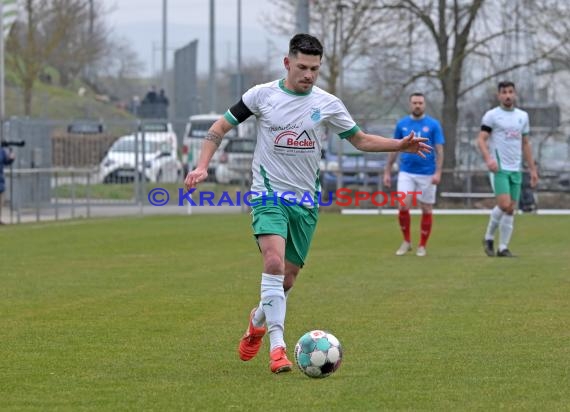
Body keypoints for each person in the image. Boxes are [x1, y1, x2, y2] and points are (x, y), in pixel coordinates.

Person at [184, 33, 431, 374]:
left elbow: (359, 139)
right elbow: (220, 126)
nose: (309, 75)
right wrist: (202, 164)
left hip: (306, 202)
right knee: (272, 262)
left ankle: (256, 321)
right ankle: (277, 348)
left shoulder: (328, 103)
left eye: (314, 69)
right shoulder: (261, 95)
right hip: (268, 195)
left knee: (286, 280)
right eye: (302, 67)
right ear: (287, 63)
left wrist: (398, 145)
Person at [478, 81, 538, 257]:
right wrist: (489, 159)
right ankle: (488, 237)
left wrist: (532, 169)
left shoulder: (522, 116)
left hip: (516, 168)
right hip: (500, 168)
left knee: (511, 208)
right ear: (499, 95)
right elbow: (481, 139)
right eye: (504, 92)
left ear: (515, 94)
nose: (508, 95)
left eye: (511, 92)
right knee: (504, 204)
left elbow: (525, 143)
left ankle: (503, 247)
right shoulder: (492, 116)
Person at [383, 93, 445, 257]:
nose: (417, 105)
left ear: (424, 104)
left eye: (420, 103)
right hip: (406, 171)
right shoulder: (402, 124)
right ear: (410, 104)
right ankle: (406, 241)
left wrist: (438, 172)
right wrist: (388, 171)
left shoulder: (433, 125)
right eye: (415, 102)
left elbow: (439, 150)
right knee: (403, 205)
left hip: (427, 173)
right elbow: (394, 147)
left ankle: (422, 245)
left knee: (426, 208)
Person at [0, 146, 15, 225]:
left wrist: (11, 158)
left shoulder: (1, 151)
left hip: (0, 182)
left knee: (1, 202)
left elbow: (6, 161)